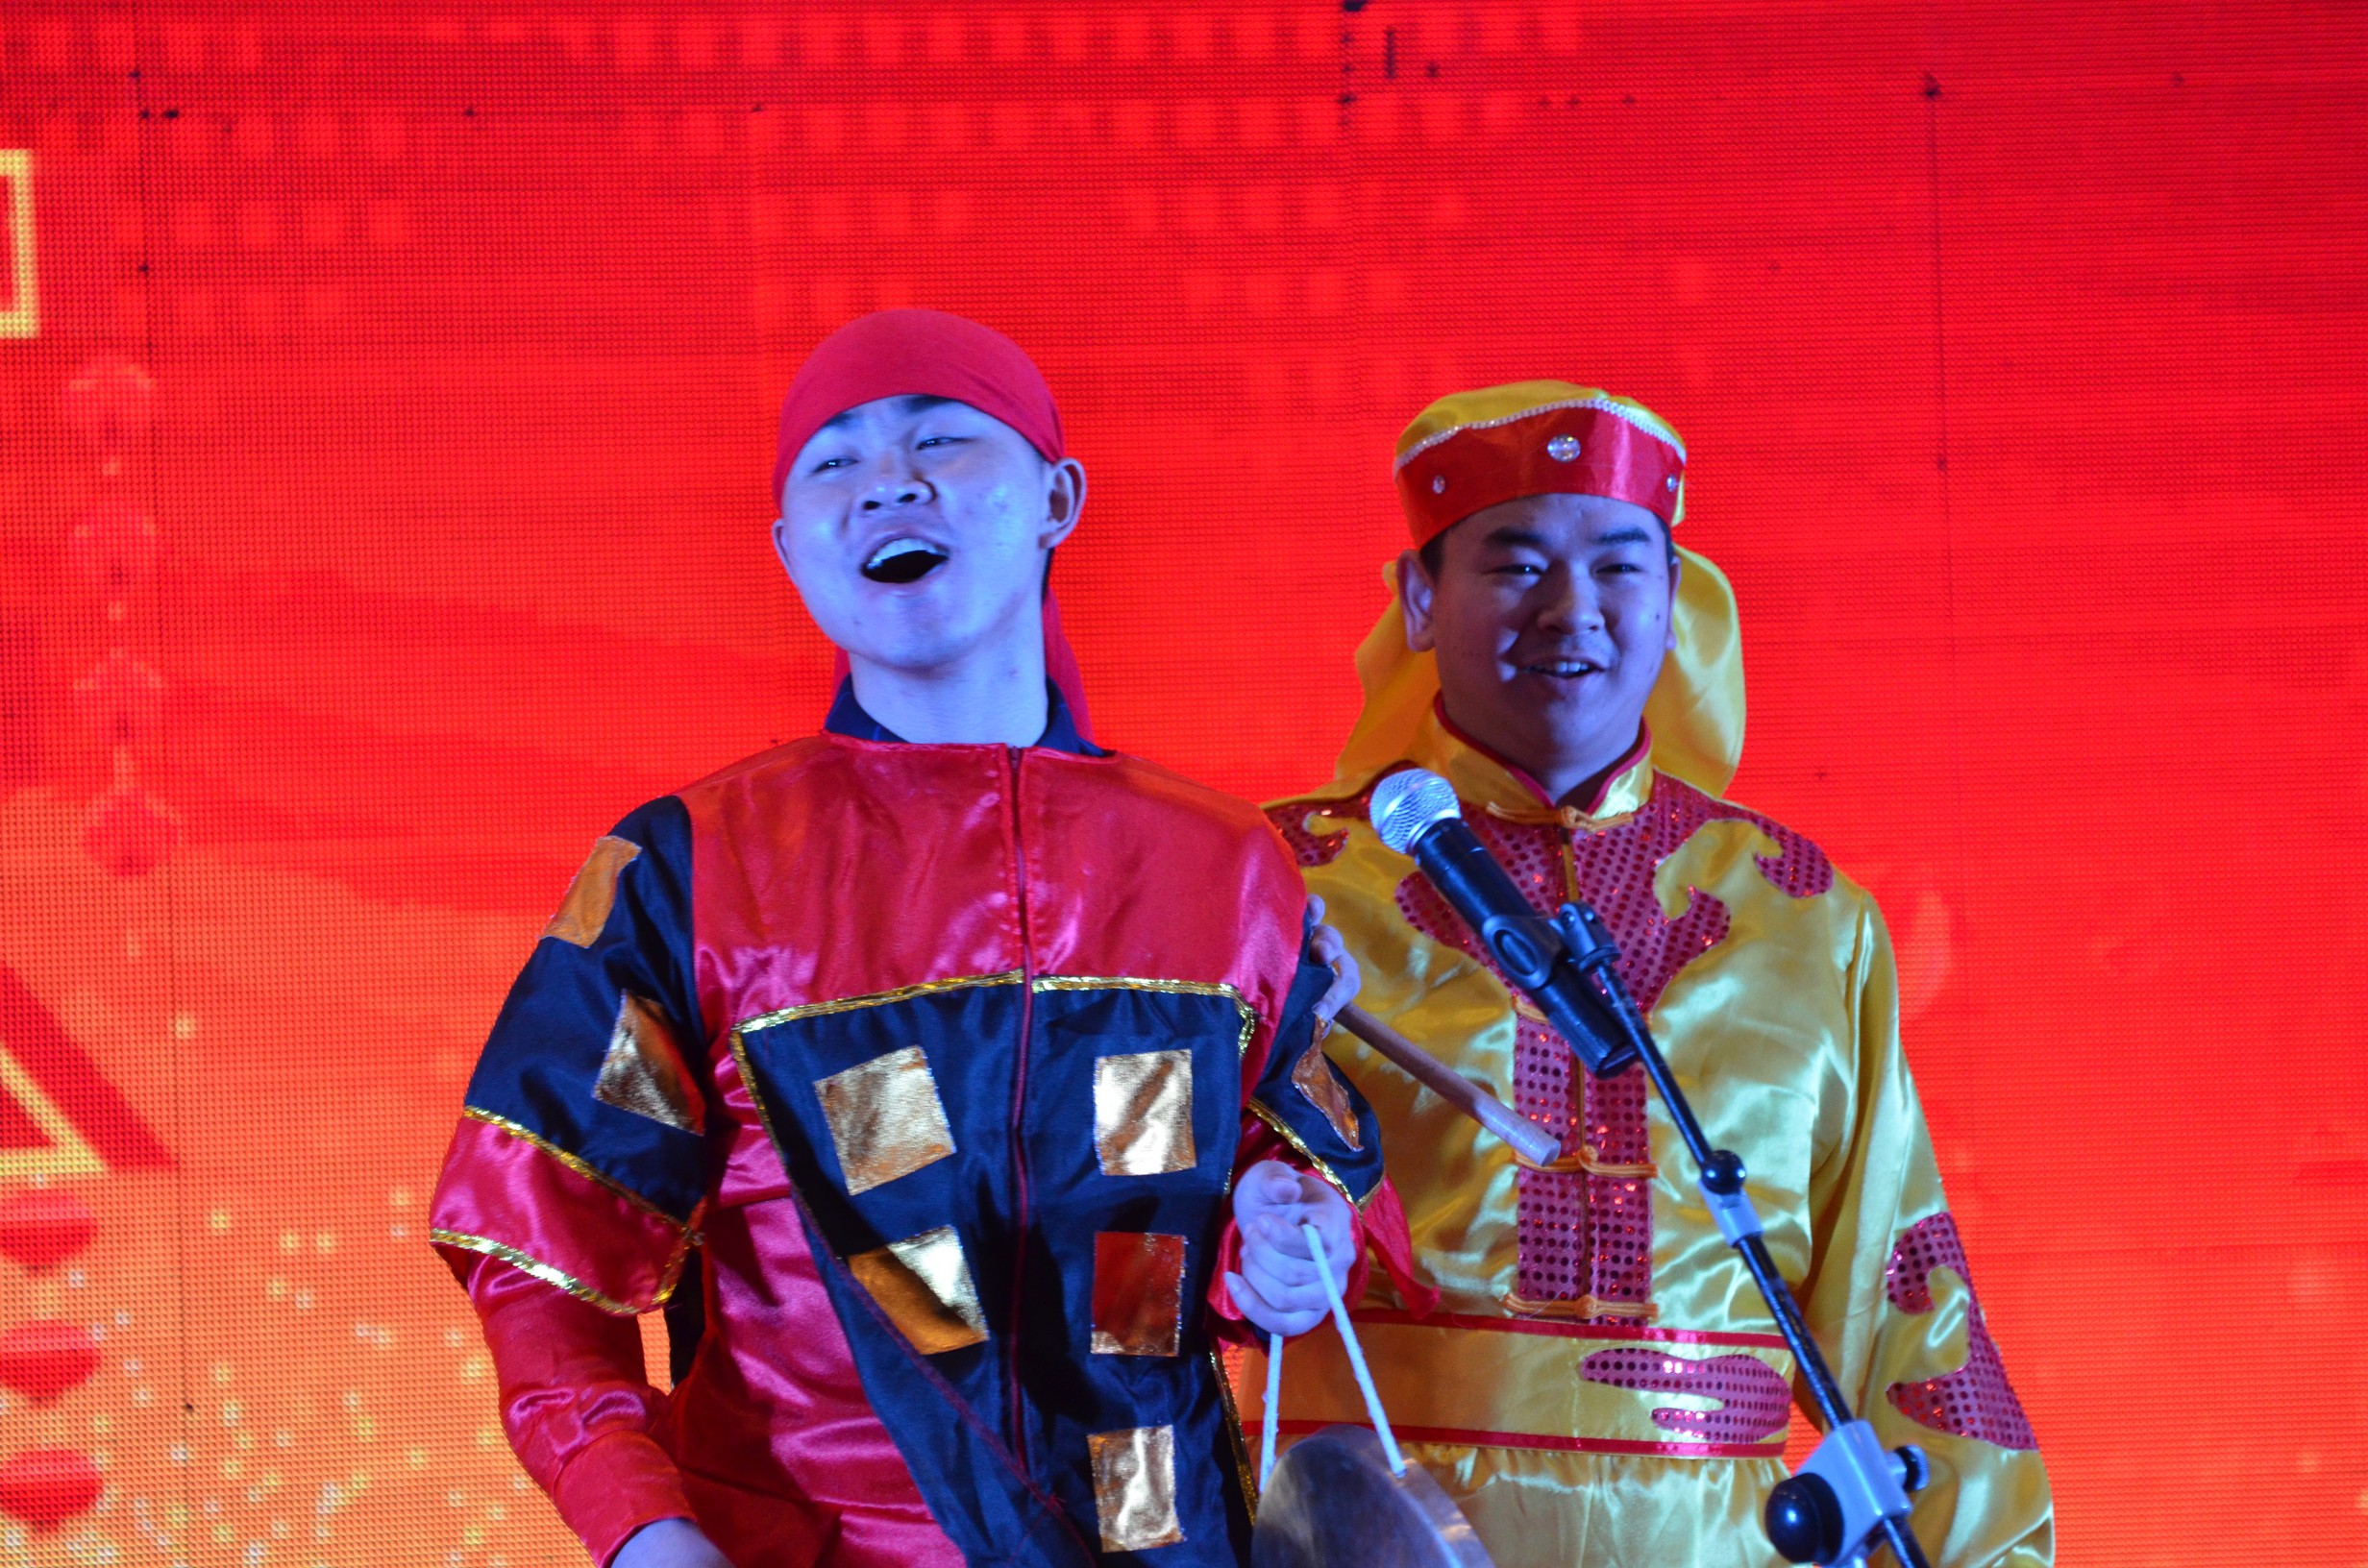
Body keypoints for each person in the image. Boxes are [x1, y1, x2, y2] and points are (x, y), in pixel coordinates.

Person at [429, 309, 1412, 1568]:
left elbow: (1301, 1189)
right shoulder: (694, 870)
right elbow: (539, 1249)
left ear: (1057, 499)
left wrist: (1286, 1247)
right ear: (791, 549)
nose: (886, 482)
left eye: (940, 439)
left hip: (1154, 1534)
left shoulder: (1222, 869)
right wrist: (645, 1532)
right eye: (833, 462)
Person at [1246, 381, 2055, 1565]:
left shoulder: (1800, 913)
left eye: (1618, 568)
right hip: (1374, 1527)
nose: (1570, 609)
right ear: (1419, 599)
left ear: (1674, 603)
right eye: (1515, 565)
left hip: (1715, 1538)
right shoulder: (1279, 884)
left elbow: (1897, 1284)